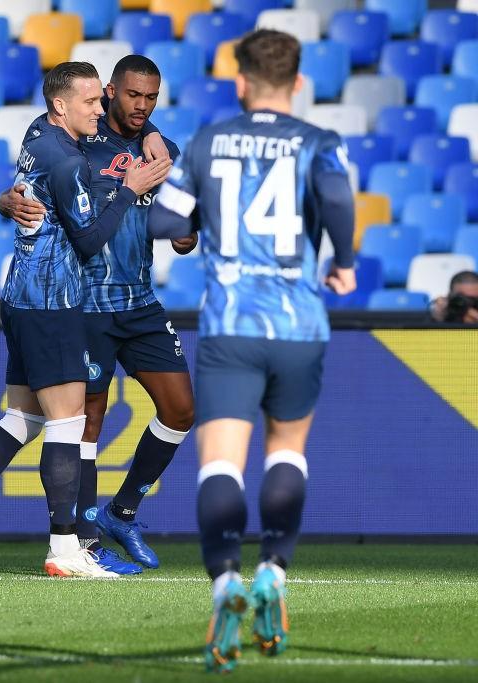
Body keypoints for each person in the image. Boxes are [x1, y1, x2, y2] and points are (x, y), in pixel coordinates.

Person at [148, 29, 356, 672]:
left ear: (240, 82)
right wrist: (342, 260)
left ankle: (224, 585)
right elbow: (337, 199)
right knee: (287, 451)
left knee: (221, 466)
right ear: (298, 84)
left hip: (231, 325)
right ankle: (273, 572)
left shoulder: (209, 141)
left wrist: (195, 222)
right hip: (298, 325)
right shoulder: (320, 142)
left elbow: (165, 222)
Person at [0, 61, 145, 578]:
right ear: (61, 105)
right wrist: (129, 190)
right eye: (91, 102)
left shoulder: (38, 132)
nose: (100, 109)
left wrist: (6, 201)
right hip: (53, 300)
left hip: (20, 296)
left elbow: (23, 193)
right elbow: (89, 242)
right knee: (67, 425)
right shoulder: (66, 160)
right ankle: (64, 549)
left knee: (22, 419)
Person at [0, 55, 197, 576]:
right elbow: (28, 182)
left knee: (180, 410)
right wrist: (5, 201)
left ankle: (121, 510)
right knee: (86, 422)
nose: (142, 106)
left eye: (151, 99)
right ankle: (81, 539)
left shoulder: (161, 151)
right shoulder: (78, 139)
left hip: (140, 301)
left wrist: (185, 232)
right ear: (108, 93)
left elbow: (182, 228)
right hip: (84, 304)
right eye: (133, 96)